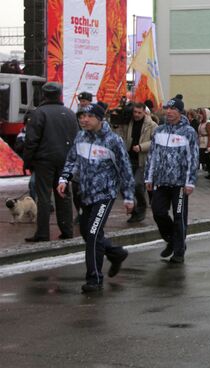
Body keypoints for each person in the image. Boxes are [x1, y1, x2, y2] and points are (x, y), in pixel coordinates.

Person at [57, 103, 135, 292]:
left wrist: (128, 196)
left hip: (105, 195)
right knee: (87, 232)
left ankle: (94, 278)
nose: (84, 120)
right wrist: (64, 179)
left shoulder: (113, 140)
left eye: (89, 116)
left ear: (100, 118)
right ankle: (116, 253)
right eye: (82, 116)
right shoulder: (81, 136)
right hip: (85, 193)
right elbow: (72, 160)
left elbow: (125, 169)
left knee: (92, 234)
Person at [145, 96, 199, 264]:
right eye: (167, 108)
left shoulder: (188, 132)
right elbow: (152, 155)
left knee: (179, 216)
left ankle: (178, 251)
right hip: (161, 182)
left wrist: (190, 181)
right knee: (158, 212)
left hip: (180, 184)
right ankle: (172, 240)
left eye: (173, 109)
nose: (168, 111)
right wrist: (149, 177)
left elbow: (193, 158)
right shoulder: (159, 130)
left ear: (180, 111)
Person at [23, 82, 79, 242]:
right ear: (59, 95)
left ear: (44, 95)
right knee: (64, 194)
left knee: (44, 196)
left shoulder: (38, 113)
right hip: (64, 160)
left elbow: (31, 140)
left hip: (44, 161)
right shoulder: (69, 114)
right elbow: (76, 139)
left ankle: (42, 233)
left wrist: (27, 161)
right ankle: (67, 230)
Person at [114, 102, 157, 223]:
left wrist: (142, 147)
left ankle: (142, 208)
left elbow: (155, 142)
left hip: (143, 160)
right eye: (135, 112)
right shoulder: (128, 122)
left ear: (144, 112)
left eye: (139, 112)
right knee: (124, 186)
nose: (137, 115)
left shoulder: (152, 125)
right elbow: (120, 135)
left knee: (138, 184)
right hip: (129, 159)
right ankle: (134, 210)